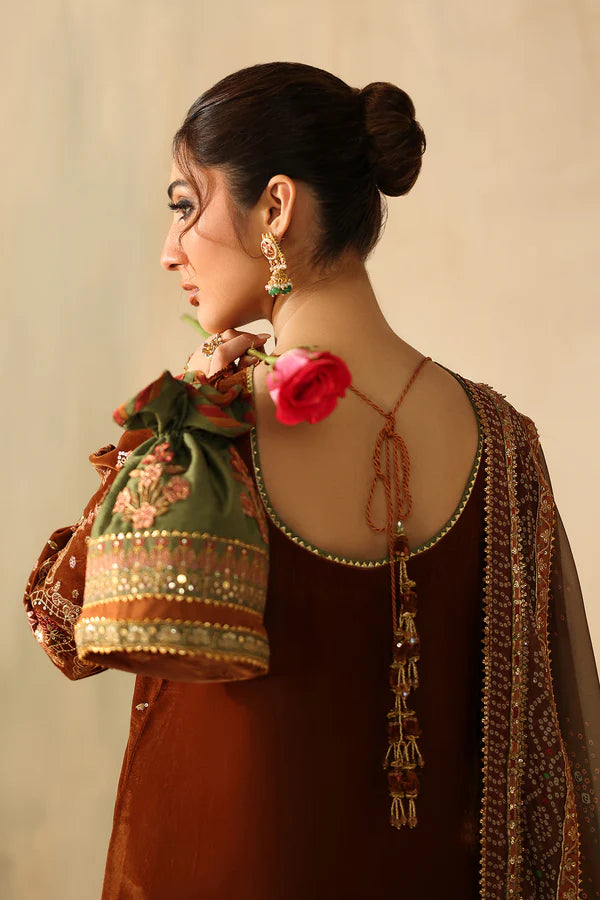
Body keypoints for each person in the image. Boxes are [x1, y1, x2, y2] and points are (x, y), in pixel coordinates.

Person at [23, 61, 599, 899]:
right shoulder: (504, 443)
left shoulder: (210, 431)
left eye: (186, 206)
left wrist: (180, 414)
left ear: (277, 207)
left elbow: (63, 622)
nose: (168, 248)